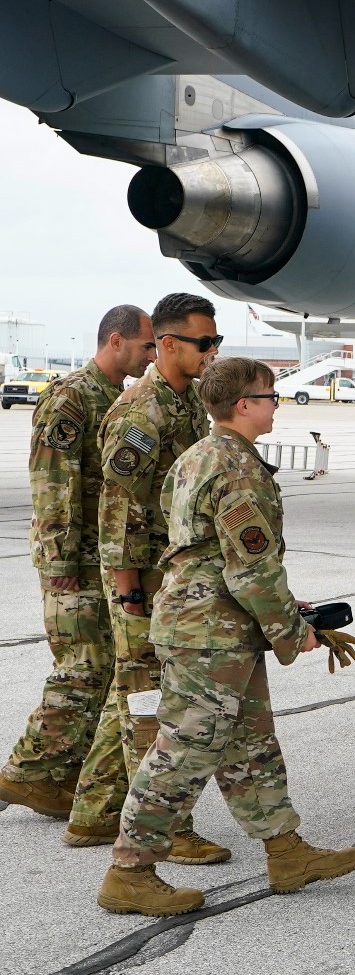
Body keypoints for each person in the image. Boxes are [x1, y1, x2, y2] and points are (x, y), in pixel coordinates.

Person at [99, 357, 355, 917]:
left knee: (251, 744)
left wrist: (285, 612)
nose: (274, 406)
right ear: (244, 405)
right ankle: (130, 872)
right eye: (269, 397)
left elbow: (209, 552)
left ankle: (286, 852)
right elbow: (250, 569)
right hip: (209, 634)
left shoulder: (196, 456)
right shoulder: (238, 469)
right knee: (183, 749)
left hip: (210, 624)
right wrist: (293, 633)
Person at [67, 293, 224, 861]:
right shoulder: (142, 412)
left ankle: (91, 815)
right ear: (167, 345)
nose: (212, 352)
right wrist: (129, 590)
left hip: (166, 575)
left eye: (216, 342)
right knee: (146, 701)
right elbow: (119, 511)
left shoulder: (185, 406)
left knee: (129, 696)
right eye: (203, 343)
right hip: (139, 579)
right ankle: (163, 829)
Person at [0, 305, 153, 819]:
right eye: (145, 346)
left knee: (106, 668)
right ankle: (26, 772)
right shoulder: (71, 396)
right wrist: (62, 555)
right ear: (116, 340)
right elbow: (53, 479)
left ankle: (64, 774)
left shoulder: (120, 398)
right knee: (82, 669)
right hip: (75, 558)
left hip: (105, 557)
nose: (151, 356)